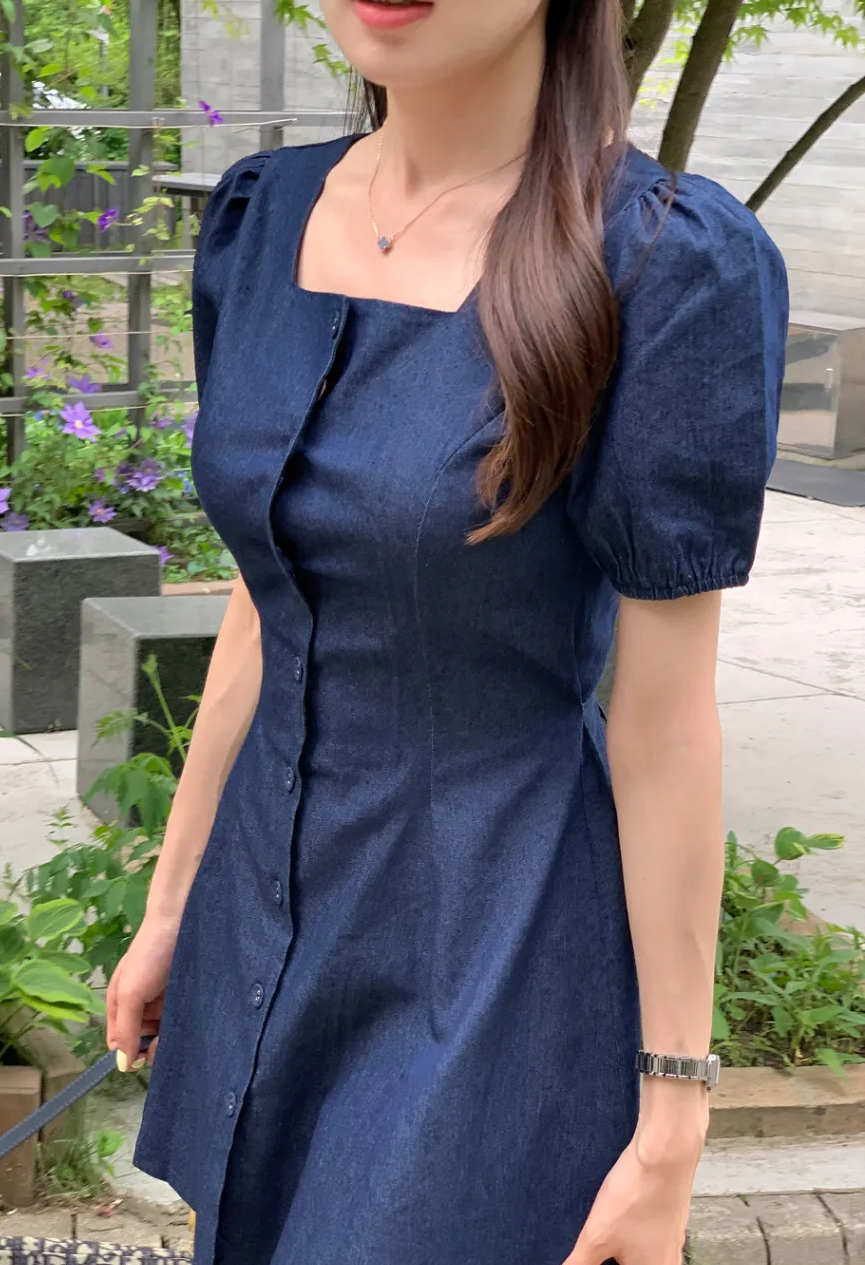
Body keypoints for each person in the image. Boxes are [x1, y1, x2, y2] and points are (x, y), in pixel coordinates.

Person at [105, 1, 789, 1262]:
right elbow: (267, 595)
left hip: (491, 940)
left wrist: (671, 1116)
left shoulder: (659, 259)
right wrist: (172, 904)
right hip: (263, 918)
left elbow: (661, 725)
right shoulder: (261, 214)